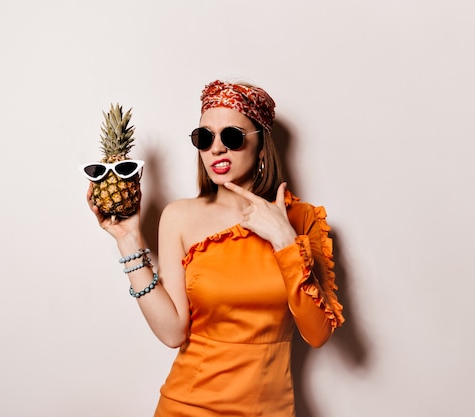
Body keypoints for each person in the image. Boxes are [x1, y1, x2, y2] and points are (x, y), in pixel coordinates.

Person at [87, 80, 345, 416]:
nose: (216, 149)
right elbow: (172, 332)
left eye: (232, 137)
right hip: (187, 406)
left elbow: (317, 333)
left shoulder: (301, 219)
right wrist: (128, 240)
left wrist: (284, 240)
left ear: (261, 144)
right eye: (205, 138)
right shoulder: (180, 217)